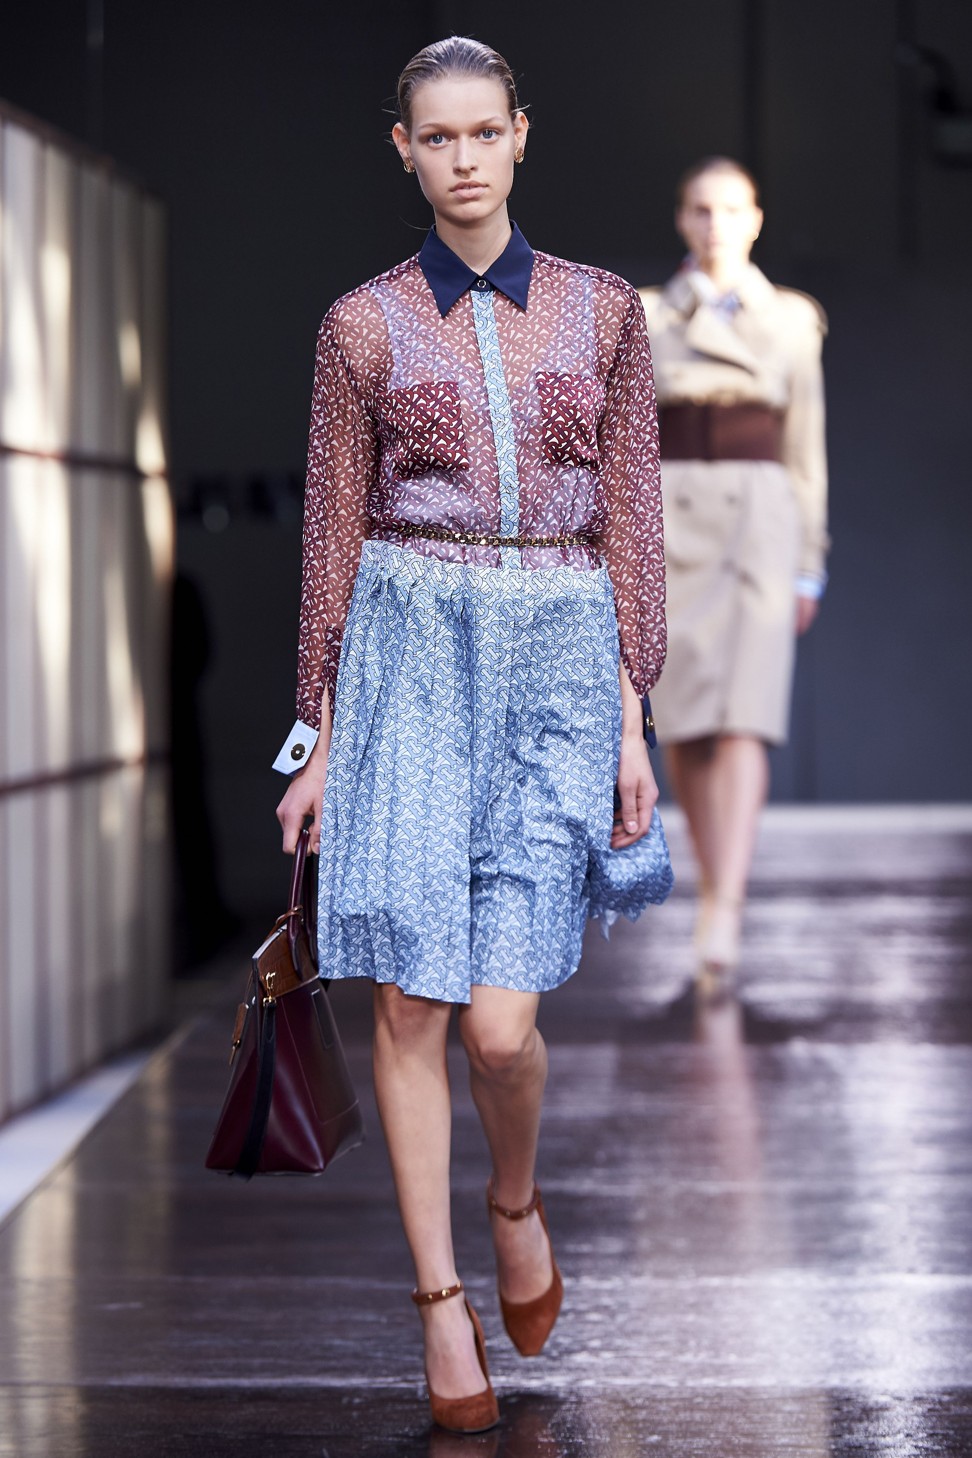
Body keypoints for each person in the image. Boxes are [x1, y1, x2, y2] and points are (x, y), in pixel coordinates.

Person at [274, 37, 666, 1434]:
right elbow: (333, 526)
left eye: (481, 134)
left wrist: (634, 716)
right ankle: (441, 1303)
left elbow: (631, 518)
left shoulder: (608, 313)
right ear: (404, 149)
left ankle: (514, 1199)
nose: (460, 159)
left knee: (503, 1028)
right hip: (411, 657)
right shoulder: (362, 327)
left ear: (518, 137)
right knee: (412, 1002)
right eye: (433, 137)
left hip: (561, 651)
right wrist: (313, 731)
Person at [639, 157, 828, 991]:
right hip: (673, 520)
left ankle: (728, 902)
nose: (715, 224)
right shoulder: (642, 318)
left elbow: (806, 449)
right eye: (700, 210)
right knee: (686, 722)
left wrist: (809, 565)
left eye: (730, 209)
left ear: (755, 219)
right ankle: (713, 882)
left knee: (746, 716)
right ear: (682, 221)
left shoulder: (791, 322)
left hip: (760, 520)